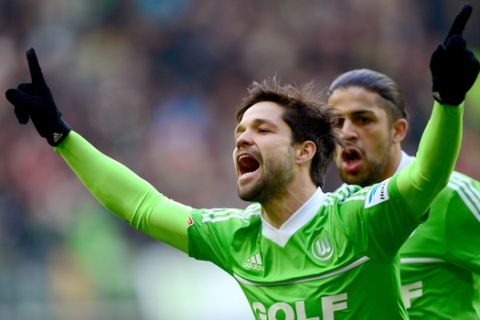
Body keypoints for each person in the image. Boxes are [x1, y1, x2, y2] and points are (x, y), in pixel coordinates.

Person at [4, 5, 476, 320]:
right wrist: (61, 136)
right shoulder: (235, 238)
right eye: (239, 132)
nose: (243, 139)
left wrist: (447, 101)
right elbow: (141, 205)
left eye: (263, 129)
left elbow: (425, 177)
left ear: (303, 151)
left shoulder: (361, 218)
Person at [327, 8, 480, 320]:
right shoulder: (329, 215)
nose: (346, 133)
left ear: (397, 131)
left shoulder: (451, 197)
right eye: (336, 122)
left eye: (363, 119)